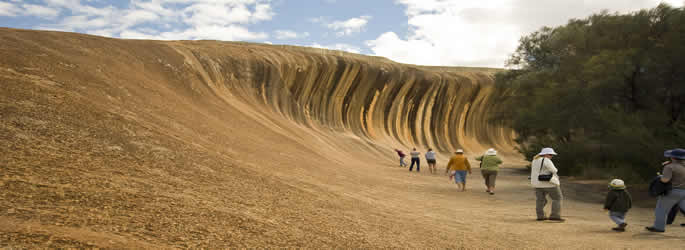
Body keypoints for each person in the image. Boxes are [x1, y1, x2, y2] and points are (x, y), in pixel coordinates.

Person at [646, 148, 685, 233]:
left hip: (672, 191)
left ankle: (659, 227)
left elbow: (665, 180)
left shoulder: (669, 167)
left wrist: (659, 177)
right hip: (684, 192)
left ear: (673, 157)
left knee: (661, 210)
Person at [530, 147, 564, 222]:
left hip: (537, 184)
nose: (551, 156)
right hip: (548, 183)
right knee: (557, 198)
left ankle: (540, 216)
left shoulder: (534, 160)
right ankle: (555, 216)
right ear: (545, 154)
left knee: (540, 200)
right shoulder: (546, 160)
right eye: (550, 154)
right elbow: (554, 170)